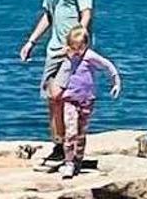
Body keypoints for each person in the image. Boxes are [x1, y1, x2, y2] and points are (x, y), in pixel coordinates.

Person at [17, 0, 95, 171]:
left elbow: (86, 14)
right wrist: (31, 41)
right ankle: (58, 144)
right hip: (53, 49)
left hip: (72, 52)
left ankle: (68, 149)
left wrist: (78, 45)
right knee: (51, 100)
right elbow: (49, 16)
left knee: (62, 97)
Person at [47, 25, 122, 179]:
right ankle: (68, 162)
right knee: (71, 132)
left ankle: (78, 160)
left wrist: (116, 81)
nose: (76, 52)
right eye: (73, 48)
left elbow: (107, 64)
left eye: (79, 48)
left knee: (81, 134)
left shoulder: (89, 56)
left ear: (85, 45)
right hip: (70, 100)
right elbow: (54, 60)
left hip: (87, 100)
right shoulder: (67, 56)